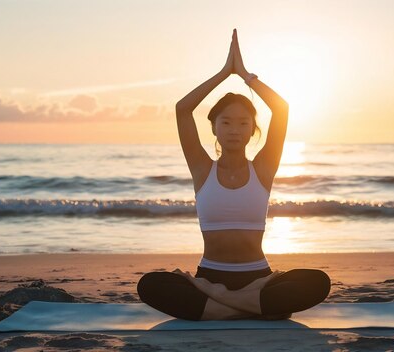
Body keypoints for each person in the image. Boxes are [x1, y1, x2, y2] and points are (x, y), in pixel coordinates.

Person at [137, 29, 330, 321]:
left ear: (253, 129)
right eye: (226, 122)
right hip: (210, 275)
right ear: (214, 127)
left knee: (318, 281)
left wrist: (245, 76)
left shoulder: (263, 168)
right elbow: (183, 109)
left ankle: (219, 306)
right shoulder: (202, 168)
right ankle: (250, 307)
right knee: (148, 285)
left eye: (243, 123)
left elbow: (282, 109)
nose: (234, 129)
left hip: (258, 277)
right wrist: (224, 73)